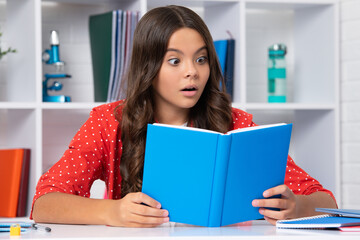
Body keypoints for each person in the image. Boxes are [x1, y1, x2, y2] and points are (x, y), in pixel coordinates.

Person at [31, 5, 337, 228]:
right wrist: (111, 212)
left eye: (201, 59)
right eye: (174, 61)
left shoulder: (237, 123)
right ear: (148, 68)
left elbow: (327, 201)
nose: (192, 71)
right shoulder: (109, 121)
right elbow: (44, 203)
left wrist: (296, 205)